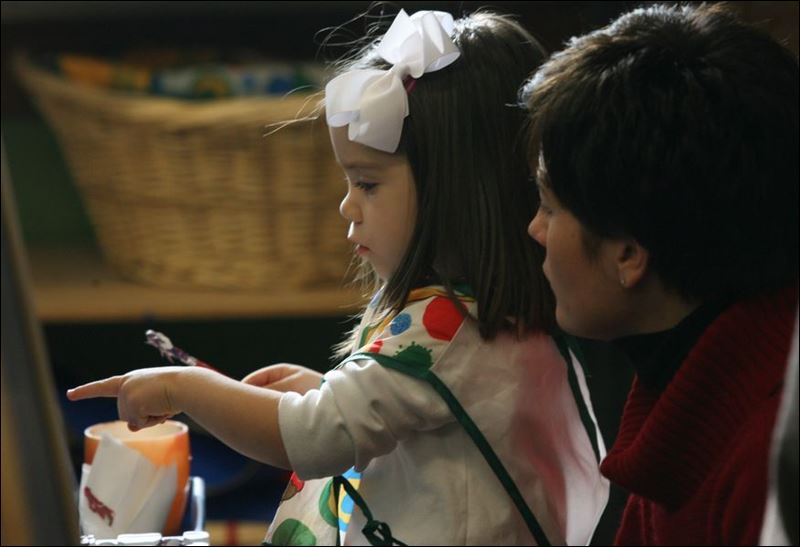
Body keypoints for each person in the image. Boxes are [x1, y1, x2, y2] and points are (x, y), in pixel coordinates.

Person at [68, 10, 609, 546]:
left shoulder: (446, 331)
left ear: (456, 190)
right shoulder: (495, 318)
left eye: (367, 184)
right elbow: (413, 421)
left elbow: (309, 439)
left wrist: (185, 387)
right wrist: (323, 392)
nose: (347, 206)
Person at [522, 3, 798, 545]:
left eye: (550, 207)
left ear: (629, 254)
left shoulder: (767, 460)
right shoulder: (693, 386)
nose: (535, 229)